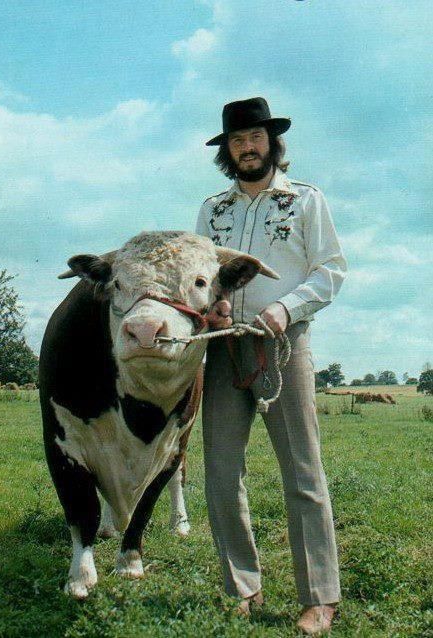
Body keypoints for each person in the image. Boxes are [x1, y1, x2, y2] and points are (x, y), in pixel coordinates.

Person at [195, 97, 347, 635]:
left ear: (272, 143)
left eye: (256, 137)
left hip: (283, 343)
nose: (248, 147)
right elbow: (202, 274)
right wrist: (211, 305)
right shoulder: (212, 210)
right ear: (227, 151)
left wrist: (284, 308)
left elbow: (329, 272)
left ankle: (319, 598)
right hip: (221, 348)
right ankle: (243, 587)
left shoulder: (306, 200)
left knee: (302, 470)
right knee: (219, 472)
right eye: (237, 141)